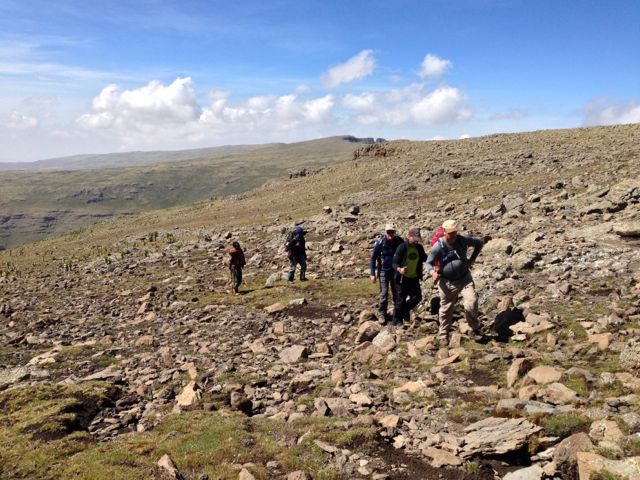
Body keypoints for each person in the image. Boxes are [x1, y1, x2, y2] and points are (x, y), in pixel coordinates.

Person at [426, 220, 484, 345]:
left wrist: (472, 259)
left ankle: (474, 329)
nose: (453, 235)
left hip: (464, 278)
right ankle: (443, 334)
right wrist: (432, 273)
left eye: (454, 232)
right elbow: (428, 262)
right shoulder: (438, 246)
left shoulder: (462, 240)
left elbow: (479, 243)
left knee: (472, 301)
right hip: (446, 282)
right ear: (444, 232)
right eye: (450, 233)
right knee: (446, 308)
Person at [391, 228, 428, 327]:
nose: (416, 241)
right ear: (409, 237)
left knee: (417, 297)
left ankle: (405, 310)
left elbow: (425, 258)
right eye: (414, 239)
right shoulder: (402, 247)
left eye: (417, 239)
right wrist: (399, 269)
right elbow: (394, 263)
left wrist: (434, 257)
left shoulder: (419, 247)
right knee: (400, 300)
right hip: (402, 278)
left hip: (414, 277)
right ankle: (396, 320)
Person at [369, 223, 404, 323]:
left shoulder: (399, 241)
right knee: (384, 293)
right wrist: (372, 273)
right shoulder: (380, 243)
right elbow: (373, 258)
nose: (390, 234)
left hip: (395, 271)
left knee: (396, 293)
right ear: (385, 232)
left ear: (394, 232)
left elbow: (405, 252)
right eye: (388, 232)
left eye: (392, 232)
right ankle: (382, 313)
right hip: (383, 271)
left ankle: (397, 314)